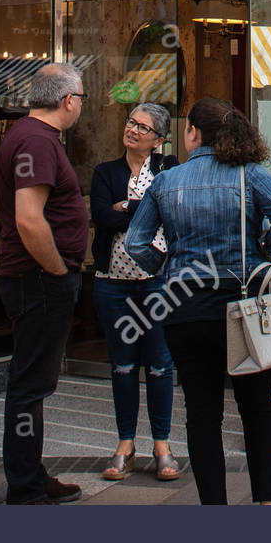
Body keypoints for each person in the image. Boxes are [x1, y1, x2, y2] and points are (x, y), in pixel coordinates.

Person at [125, 97, 271, 505]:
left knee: (202, 414)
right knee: (257, 407)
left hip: (185, 308)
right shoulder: (250, 175)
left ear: (193, 134)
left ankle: (214, 506)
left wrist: (167, 265)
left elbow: (136, 242)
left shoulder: (167, 181)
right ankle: (268, 501)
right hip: (243, 305)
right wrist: (265, 253)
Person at [0, 62, 88, 505]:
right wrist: (57, 271)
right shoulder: (36, 140)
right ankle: (25, 486)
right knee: (31, 385)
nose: (81, 106)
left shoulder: (32, 137)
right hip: (37, 279)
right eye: (81, 98)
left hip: (35, 277)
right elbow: (30, 220)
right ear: (68, 100)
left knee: (33, 383)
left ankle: (31, 473)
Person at [89, 102, 179, 481]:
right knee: (123, 366)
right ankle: (125, 442)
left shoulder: (169, 169)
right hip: (113, 283)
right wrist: (142, 209)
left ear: (158, 139)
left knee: (159, 365)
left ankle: (162, 444)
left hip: (157, 282)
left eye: (143, 128)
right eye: (131, 123)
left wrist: (126, 205)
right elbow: (102, 216)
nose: (133, 130)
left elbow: (171, 210)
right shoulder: (104, 172)